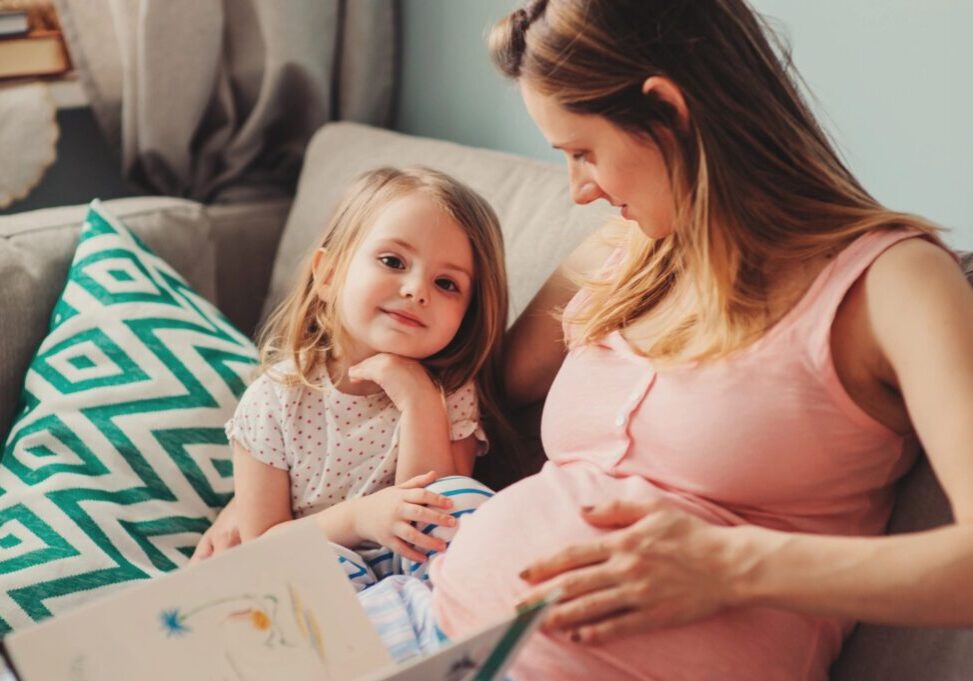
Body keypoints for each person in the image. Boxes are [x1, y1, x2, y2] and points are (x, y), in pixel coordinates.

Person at [197, 1, 973, 678]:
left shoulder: (892, 284)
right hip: (421, 620)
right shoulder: (615, 253)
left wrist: (735, 565)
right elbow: (464, 387)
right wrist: (275, 513)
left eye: (581, 152)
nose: (578, 190)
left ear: (666, 113)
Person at [221, 166, 506, 590]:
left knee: (466, 503)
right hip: (325, 575)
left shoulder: (451, 391)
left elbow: (436, 510)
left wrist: (418, 400)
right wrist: (359, 519)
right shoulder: (273, 401)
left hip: (419, 573)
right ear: (329, 274)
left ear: (467, 315)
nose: (416, 289)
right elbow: (261, 543)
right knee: (317, 567)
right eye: (393, 261)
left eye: (446, 283)